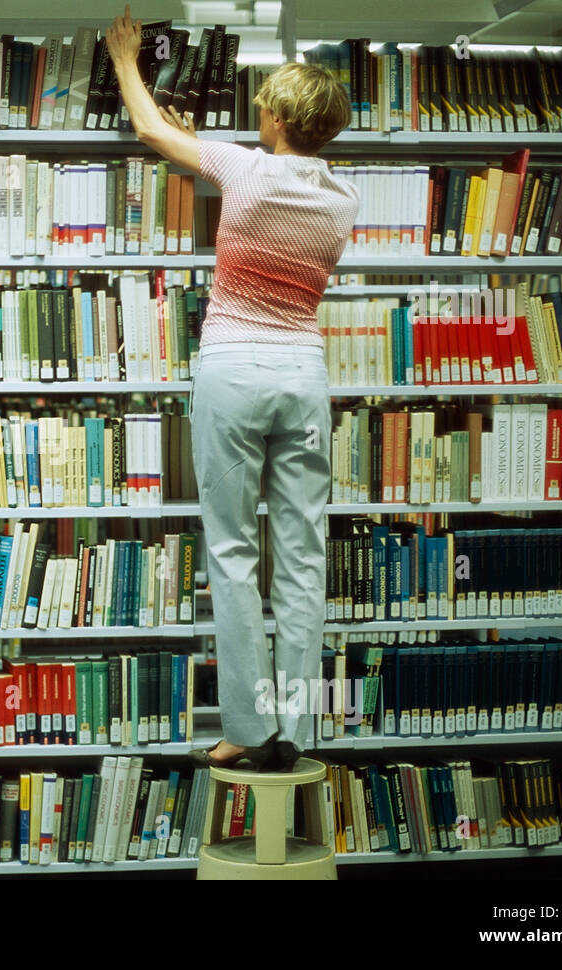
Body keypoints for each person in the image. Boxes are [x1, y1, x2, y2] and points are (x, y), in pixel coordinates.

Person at [105, 8, 359, 771]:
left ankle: (247, 731)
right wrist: (211, 146)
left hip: (233, 369)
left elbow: (151, 130)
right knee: (305, 555)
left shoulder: (240, 168)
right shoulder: (342, 199)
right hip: (301, 376)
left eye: (263, 111)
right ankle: (299, 729)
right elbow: (259, 164)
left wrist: (126, 62)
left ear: (277, 119)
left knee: (234, 549)